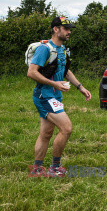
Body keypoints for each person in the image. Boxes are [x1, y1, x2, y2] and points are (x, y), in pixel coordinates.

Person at [27, 17, 91, 177]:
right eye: (66, 28)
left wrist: (80, 87)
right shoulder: (45, 49)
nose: (69, 32)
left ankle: (36, 170)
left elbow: (66, 71)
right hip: (44, 96)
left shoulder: (62, 49)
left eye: (70, 29)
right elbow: (31, 72)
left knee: (46, 133)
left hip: (54, 97)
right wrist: (55, 84)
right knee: (66, 128)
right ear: (56, 29)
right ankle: (54, 167)